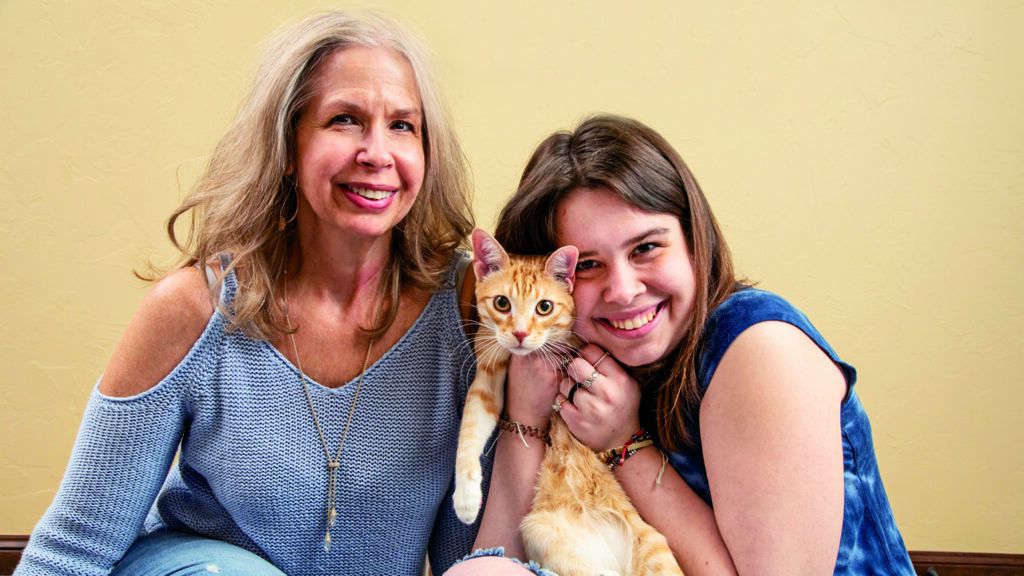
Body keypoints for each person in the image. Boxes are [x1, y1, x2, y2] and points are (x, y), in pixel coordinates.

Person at [16, 11, 480, 576]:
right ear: (288, 148)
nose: (377, 153)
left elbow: (473, 558)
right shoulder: (194, 309)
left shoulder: (468, 311)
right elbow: (71, 550)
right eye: (344, 120)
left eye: (403, 126)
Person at [448, 115, 915, 575]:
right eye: (588, 265)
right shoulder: (581, 350)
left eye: (646, 248)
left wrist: (624, 444)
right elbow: (496, 555)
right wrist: (525, 415)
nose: (624, 290)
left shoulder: (760, 349)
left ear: (694, 238)